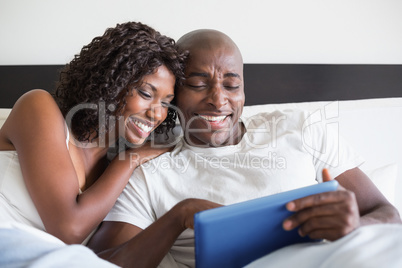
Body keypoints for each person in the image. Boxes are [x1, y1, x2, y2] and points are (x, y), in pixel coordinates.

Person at [87, 29, 402, 267]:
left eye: (231, 84)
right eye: (198, 84)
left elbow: (389, 216)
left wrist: (357, 224)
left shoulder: (301, 129)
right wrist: (178, 217)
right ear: (174, 95)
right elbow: (104, 262)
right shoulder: (150, 173)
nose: (218, 99)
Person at [0, 20, 186, 249]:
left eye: (166, 103)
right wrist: (128, 161)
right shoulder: (38, 108)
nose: (157, 114)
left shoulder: (114, 170)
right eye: (146, 93)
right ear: (113, 82)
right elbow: (69, 229)